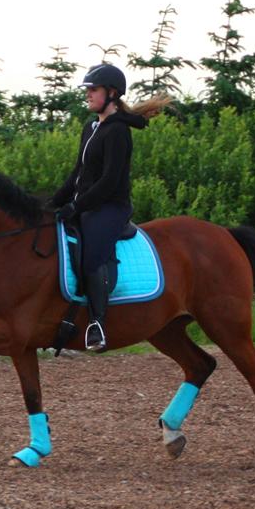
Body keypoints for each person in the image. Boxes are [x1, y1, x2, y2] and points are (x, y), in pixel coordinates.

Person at [49, 63, 159, 351]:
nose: (88, 95)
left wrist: (76, 206)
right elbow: (78, 173)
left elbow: (110, 182)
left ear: (111, 94)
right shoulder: (92, 127)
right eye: (87, 90)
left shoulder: (118, 132)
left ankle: (97, 324)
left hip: (111, 207)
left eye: (92, 90)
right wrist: (54, 203)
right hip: (87, 204)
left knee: (92, 256)